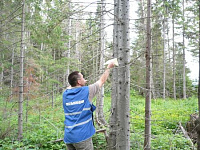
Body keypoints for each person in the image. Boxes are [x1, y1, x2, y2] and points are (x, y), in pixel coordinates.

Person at [62, 62, 115, 150]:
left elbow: (71, 85)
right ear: (79, 82)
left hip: (69, 137)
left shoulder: (65, 94)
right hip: (82, 137)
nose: (84, 79)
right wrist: (108, 68)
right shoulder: (87, 91)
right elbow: (101, 80)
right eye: (83, 78)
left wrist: (80, 82)